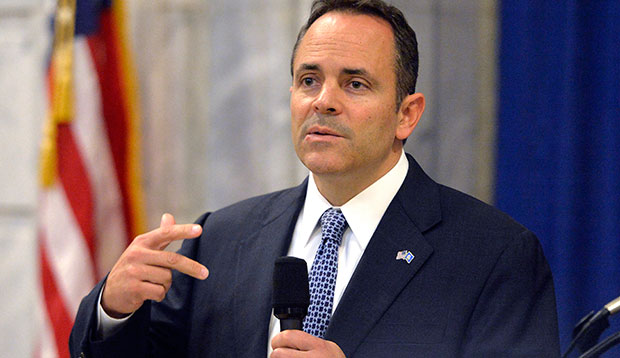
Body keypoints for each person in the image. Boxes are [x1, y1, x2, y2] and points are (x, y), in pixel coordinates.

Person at [70, 0, 560, 357]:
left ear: (406, 115)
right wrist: (114, 309)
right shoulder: (219, 240)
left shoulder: (493, 256)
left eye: (355, 83)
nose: (323, 101)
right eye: (309, 80)